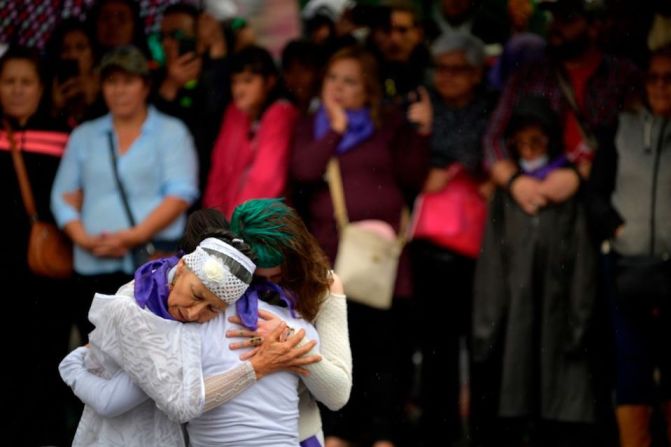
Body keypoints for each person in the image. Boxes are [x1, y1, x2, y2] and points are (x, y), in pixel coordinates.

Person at [59, 222, 320, 446]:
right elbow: (178, 405)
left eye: (212, 309)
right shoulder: (136, 309)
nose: (195, 313)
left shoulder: (182, 315)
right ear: (182, 266)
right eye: (196, 295)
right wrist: (258, 367)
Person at [290, 44, 429, 447]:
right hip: (331, 257)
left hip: (379, 259)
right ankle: (339, 436)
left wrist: (422, 130)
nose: (337, 87)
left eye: (349, 81)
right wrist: (334, 128)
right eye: (333, 78)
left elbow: (412, 176)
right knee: (335, 347)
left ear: (368, 90)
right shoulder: (314, 125)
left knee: (383, 349)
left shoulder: (387, 128)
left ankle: (383, 435)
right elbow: (303, 169)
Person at [51, 45, 199, 344]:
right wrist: (85, 240)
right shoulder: (85, 135)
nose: (119, 91)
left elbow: (180, 193)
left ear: (145, 85)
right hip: (91, 261)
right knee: (97, 354)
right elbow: (62, 197)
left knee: (151, 353)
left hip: (150, 261)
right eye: (111, 82)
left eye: (128, 81)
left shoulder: (172, 132)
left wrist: (131, 237)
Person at [472, 95, 598, 447]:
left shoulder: (567, 191)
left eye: (537, 142)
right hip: (516, 313)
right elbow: (491, 267)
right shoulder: (507, 195)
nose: (528, 151)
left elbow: (583, 261)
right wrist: (487, 323)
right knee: (517, 393)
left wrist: (581, 319)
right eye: (521, 142)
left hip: (562, 311)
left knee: (560, 400)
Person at [586, 45, 671, 447]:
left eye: (668, 79)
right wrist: (617, 228)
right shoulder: (621, 128)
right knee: (631, 368)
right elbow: (597, 193)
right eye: (653, 77)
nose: (660, 87)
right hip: (626, 265)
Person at [0, 45, 73, 447]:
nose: (16, 90)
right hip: (2, 269)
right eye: (8, 81)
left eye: (26, 82)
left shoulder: (64, 135)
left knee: (47, 356)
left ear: (42, 88)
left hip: (47, 272)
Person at [203, 45, 298, 218]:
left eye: (248, 81)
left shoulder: (281, 113)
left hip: (263, 225)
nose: (239, 90)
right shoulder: (235, 113)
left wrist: (237, 226)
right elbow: (219, 172)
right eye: (235, 81)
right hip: (230, 224)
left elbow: (266, 179)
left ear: (269, 81)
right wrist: (215, 223)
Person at [45, 18, 105, 129]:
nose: (72, 55)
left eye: (81, 48)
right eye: (65, 49)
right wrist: (55, 109)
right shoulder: (47, 87)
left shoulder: (107, 85)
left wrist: (93, 100)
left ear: (93, 53)